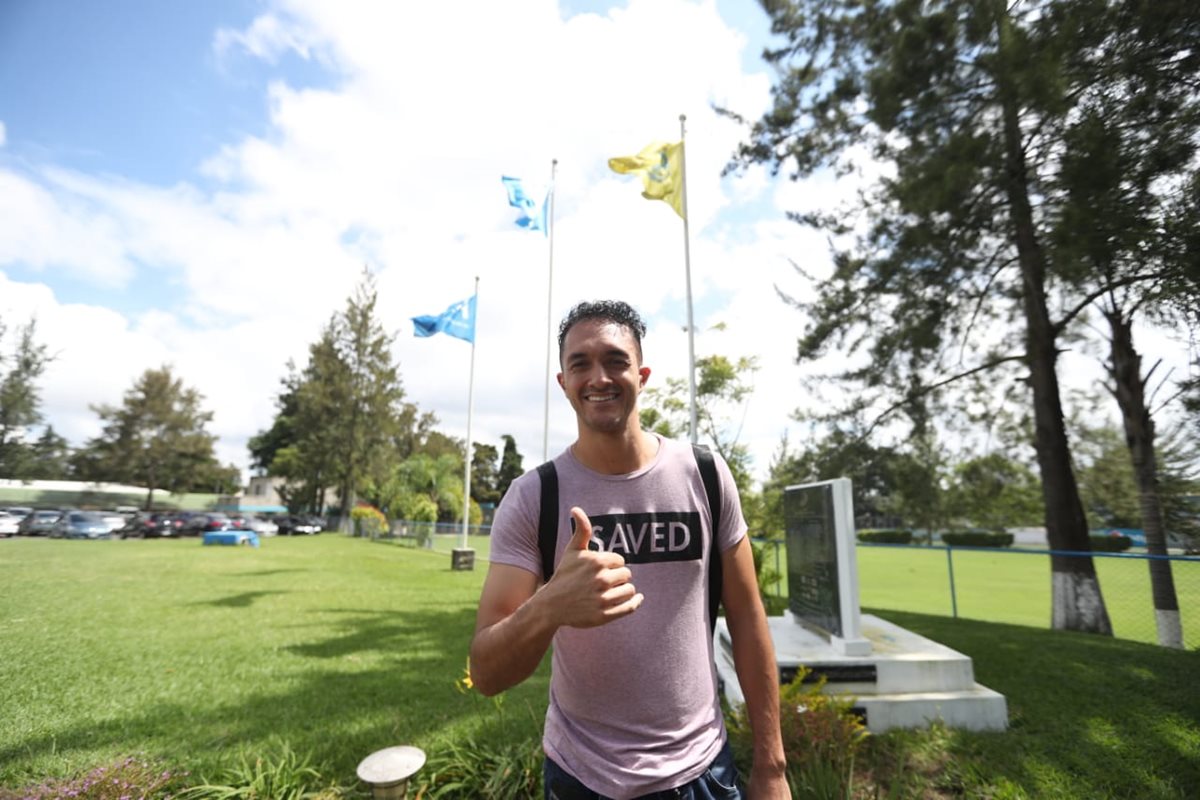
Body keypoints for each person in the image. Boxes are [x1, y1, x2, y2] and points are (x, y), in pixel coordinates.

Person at [470, 300, 788, 800]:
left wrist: (771, 766)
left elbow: (748, 619)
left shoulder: (705, 476)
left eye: (615, 360)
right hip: (582, 778)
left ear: (642, 375)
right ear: (563, 383)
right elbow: (486, 673)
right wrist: (549, 606)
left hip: (701, 772)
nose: (598, 377)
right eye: (580, 364)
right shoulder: (534, 496)